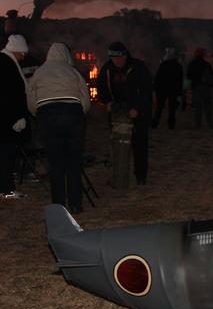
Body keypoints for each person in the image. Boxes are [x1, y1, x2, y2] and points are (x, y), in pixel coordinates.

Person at [27, 42, 90, 213]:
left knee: (55, 164)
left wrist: (38, 113)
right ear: (66, 56)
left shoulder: (39, 72)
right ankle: (76, 204)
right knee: (74, 162)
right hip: (73, 115)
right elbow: (85, 99)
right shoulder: (73, 72)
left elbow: (31, 99)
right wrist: (79, 113)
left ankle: (59, 206)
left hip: (48, 117)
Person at [97, 41, 153, 186]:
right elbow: (102, 87)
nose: (118, 61)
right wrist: (107, 102)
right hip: (117, 112)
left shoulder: (138, 67)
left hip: (137, 113)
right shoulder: (107, 69)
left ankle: (141, 176)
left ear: (126, 55)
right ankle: (118, 176)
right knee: (117, 144)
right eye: (114, 58)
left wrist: (137, 108)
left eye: (120, 57)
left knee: (139, 144)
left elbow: (146, 90)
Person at [0, 35, 29, 199]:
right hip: (6, 121)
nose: (23, 57)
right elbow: (11, 94)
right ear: (17, 50)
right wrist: (18, 117)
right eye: (23, 53)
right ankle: (7, 190)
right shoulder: (6, 64)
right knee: (6, 155)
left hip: (4, 118)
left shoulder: (5, 61)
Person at [152, 48, 183, 129]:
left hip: (162, 89)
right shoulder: (178, 66)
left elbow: (158, 77)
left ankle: (155, 123)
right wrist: (179, 93)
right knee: (172, 109)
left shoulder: (164, 64)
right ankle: (171, 125)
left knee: (159, 107)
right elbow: (180, 80)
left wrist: (155, 88)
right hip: (173, 90)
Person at [187, 48, 213, 129]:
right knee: (208, 107)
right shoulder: (206, 64)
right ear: (203, 55)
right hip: (205, 87)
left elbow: (189, 76)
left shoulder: (191, 64)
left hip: (196, 87)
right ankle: (210, 124)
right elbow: (211, 75)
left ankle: (197, 125)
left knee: (197, 107)